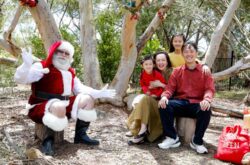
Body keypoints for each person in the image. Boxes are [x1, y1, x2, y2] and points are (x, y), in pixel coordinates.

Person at [14, 41, 116, 156]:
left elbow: (80, 88)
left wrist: (99, 93)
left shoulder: (70, 72)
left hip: (63, 107)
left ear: (70, 57)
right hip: (40, 108)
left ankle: (80, 136)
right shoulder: (41, 66)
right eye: (60, 51)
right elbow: (21, 79)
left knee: (88, 99)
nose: (63, 55)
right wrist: (26, 66)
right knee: (59, 105)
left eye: (66, 53)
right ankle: (48, 140)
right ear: (53, 53)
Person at [158, 42, 215, 154]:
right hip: (181, 103)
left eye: (191, 51)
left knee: (206, 109)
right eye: (186, 52)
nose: (189, 54)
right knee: (164, 105)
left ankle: (197, 141)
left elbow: (210, 88)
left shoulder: (204, 71)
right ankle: (172, 137)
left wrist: (206, 99)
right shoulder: (177, 71)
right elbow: (170, 88)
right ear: (183, 55)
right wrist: (164, 97)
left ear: (196, 53)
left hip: (196, 103)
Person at [126, 51, 172, 144]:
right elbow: (143, 84)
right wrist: (147, 90)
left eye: (163, 60)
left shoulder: (171, 72)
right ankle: (140, 132)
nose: (161, 62)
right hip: (151, 98)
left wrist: (160, 86)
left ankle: (137, 129)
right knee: (143, 99)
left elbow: (173, 89)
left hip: (163, 102)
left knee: (145, 99)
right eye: (158, 60)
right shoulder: (148, 72)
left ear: (167, 61)